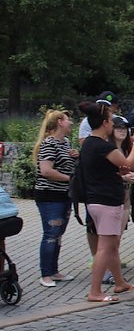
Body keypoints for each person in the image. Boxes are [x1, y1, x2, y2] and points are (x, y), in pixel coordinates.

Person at [78, 101, 134, 302]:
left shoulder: (89, 142)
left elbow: (111, 168)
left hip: (96, 200)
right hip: (106, 201)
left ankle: (120, 282)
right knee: (105, 247)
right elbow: (128, 163)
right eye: (111, 122)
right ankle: (95, 291)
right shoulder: (102, 145)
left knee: (112, 245)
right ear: (105, 123)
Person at [33, 109, 78, 288]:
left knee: (58, 234)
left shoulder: (65, 142)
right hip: (49, 195)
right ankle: (45, 274)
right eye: (68, 120)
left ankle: (54, 270)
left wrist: (75, 157)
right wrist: (71, 179)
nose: (71, 123)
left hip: (64, 194)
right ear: (60, 122)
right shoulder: (49, 144)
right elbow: (46, 170)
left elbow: (65, 165)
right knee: (51, 234)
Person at [101, 115, 134, 284]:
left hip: (125, 198)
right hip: (110, 199)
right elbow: (105, 175)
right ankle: (106, 272)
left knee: (118, 238)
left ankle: (113, 274)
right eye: (118, 127)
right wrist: (124, 178)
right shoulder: (107, 148)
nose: (122, 130)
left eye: (125, 128)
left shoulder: (125, 149)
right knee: (110, 240)